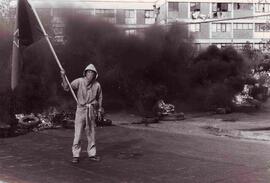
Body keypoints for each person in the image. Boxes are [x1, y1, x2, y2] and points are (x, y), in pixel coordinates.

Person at [60, 64, 103, 163]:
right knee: (78, 133)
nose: (90, 74)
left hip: (91, 110)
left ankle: (92, 154)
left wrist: (99, 109)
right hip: (80, 110)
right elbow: (67, 88)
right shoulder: (79, 81)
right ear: (85, 73)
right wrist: (63, 76)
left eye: (92, 73)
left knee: (91, 133)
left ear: (95, 75)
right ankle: (76, 155)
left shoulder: (97, 85)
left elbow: (100, 97)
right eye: (88, 72)